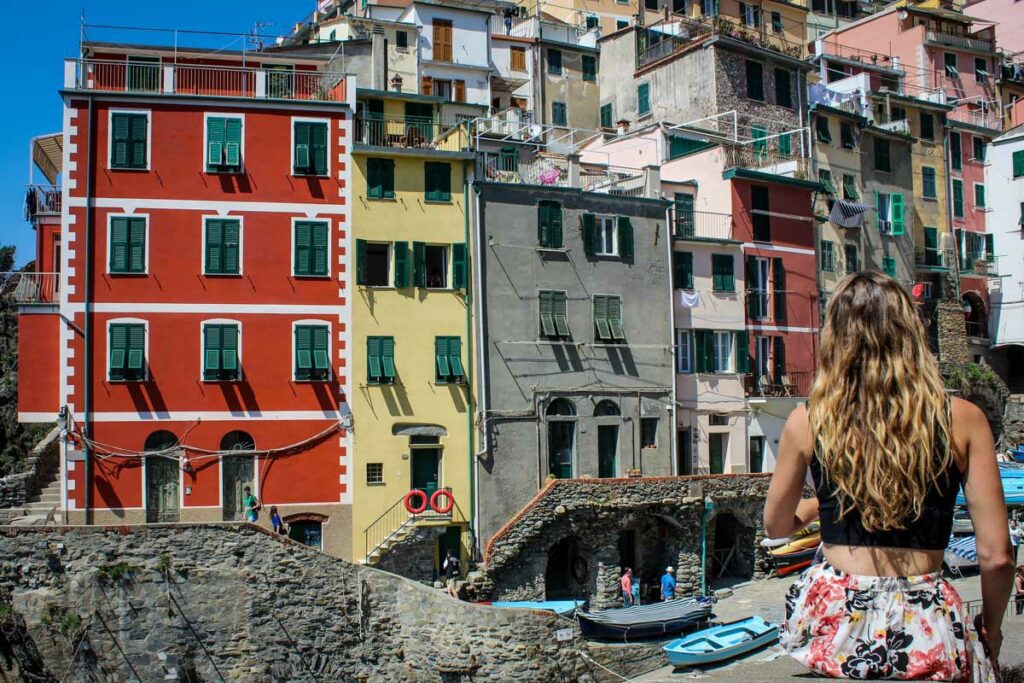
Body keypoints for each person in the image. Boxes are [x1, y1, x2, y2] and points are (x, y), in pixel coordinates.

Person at [764, 273, 1013, 681]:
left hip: (839, 625)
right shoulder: (964, 419)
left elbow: (776, 525)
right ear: (911, 332)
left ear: (836, 338)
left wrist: (818, 507)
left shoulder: (808, 420)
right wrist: (992, 627)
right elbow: (997, 556)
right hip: (926, 623)